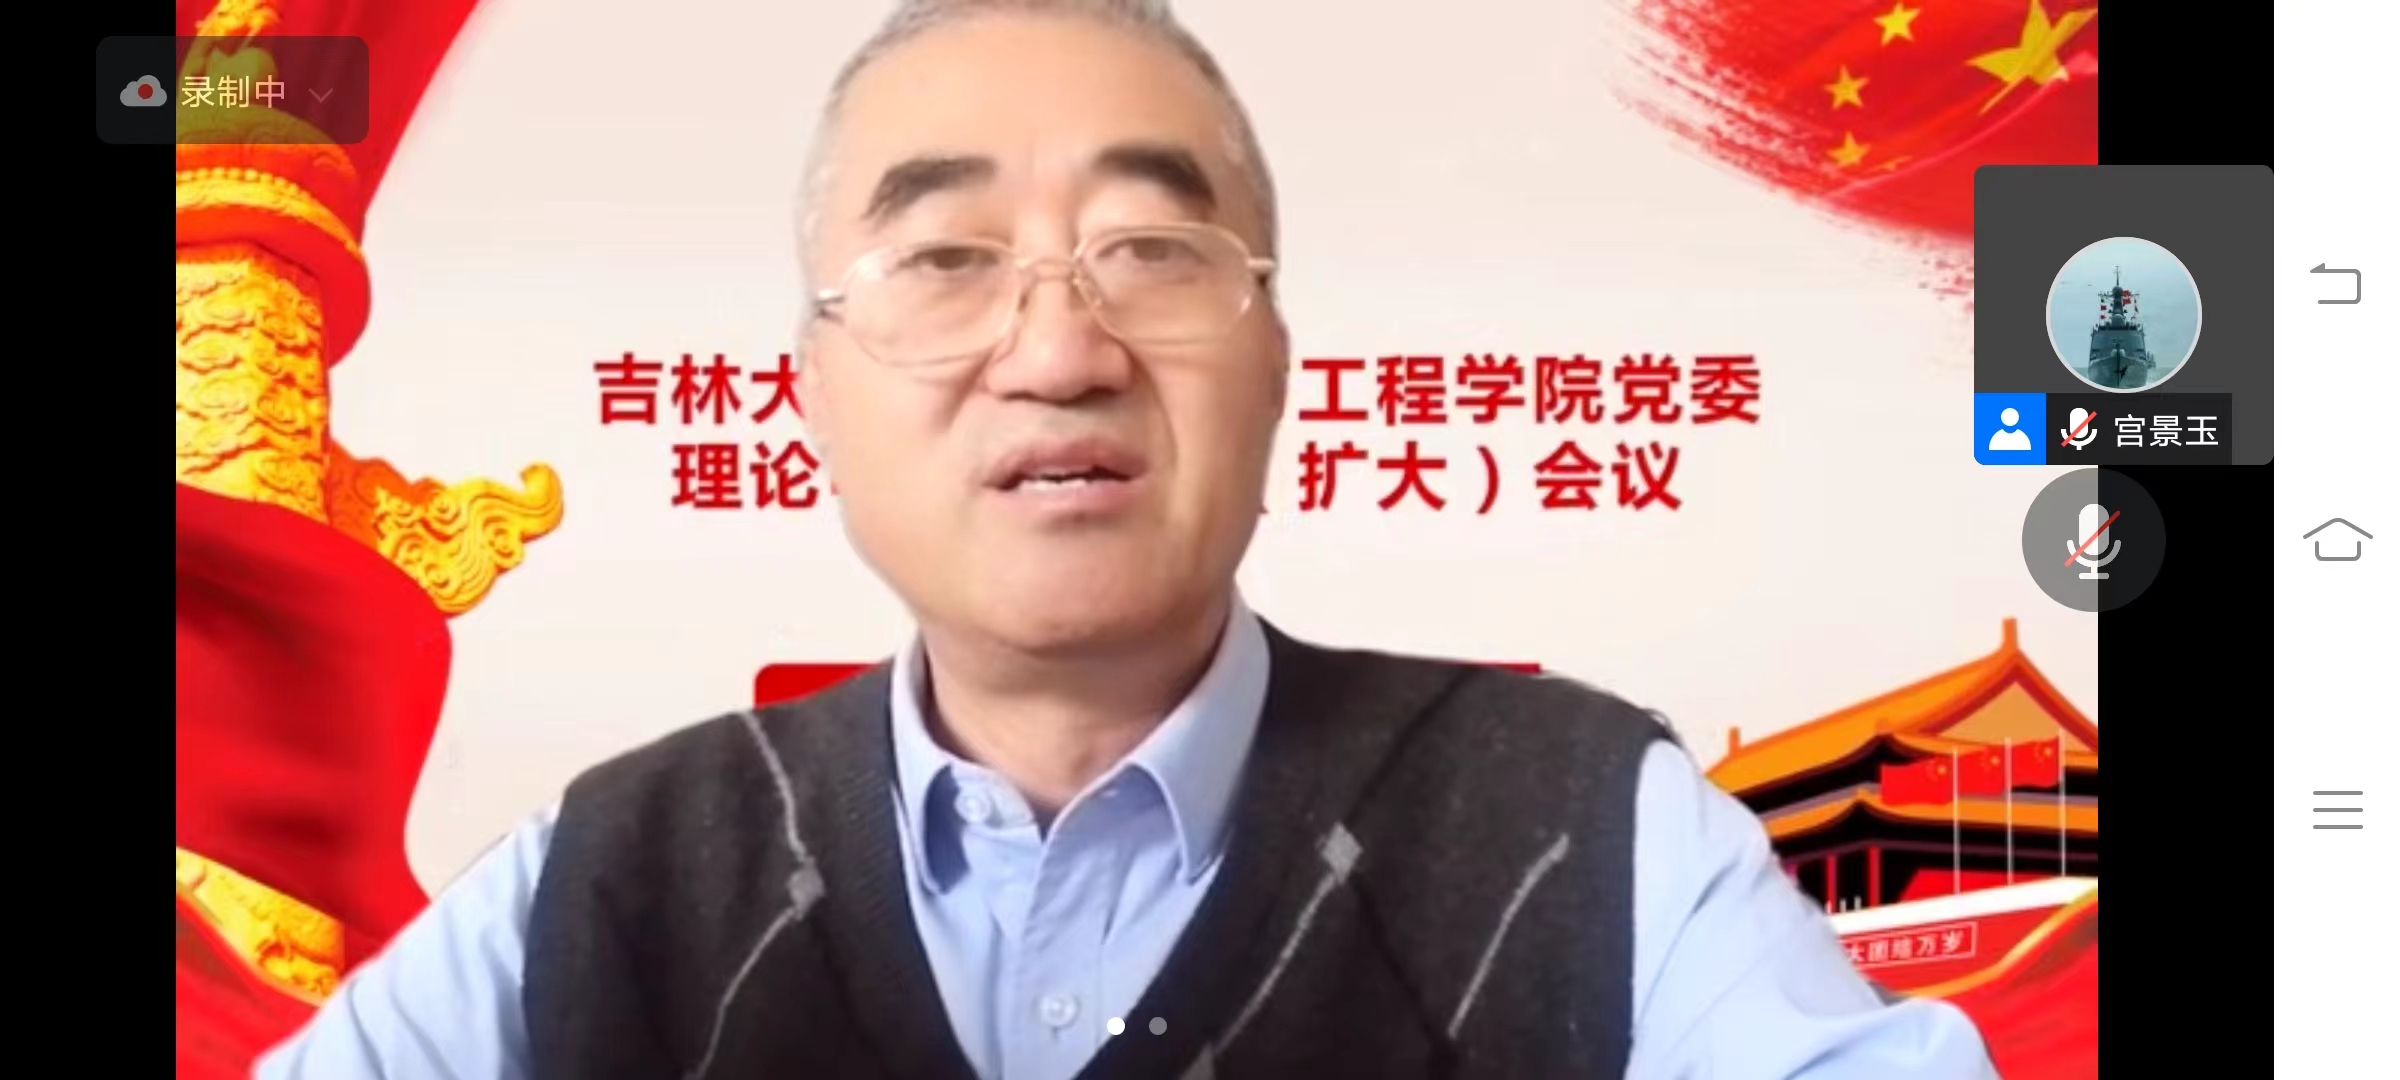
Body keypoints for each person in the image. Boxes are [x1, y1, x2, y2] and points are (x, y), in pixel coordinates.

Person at [257, 2, 1998, 1077]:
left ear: (1277, 363)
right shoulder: (614, 872)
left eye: (1155, 254)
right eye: (946, 260)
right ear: (813, 395)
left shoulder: (1588, 826)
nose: (1059, 350)